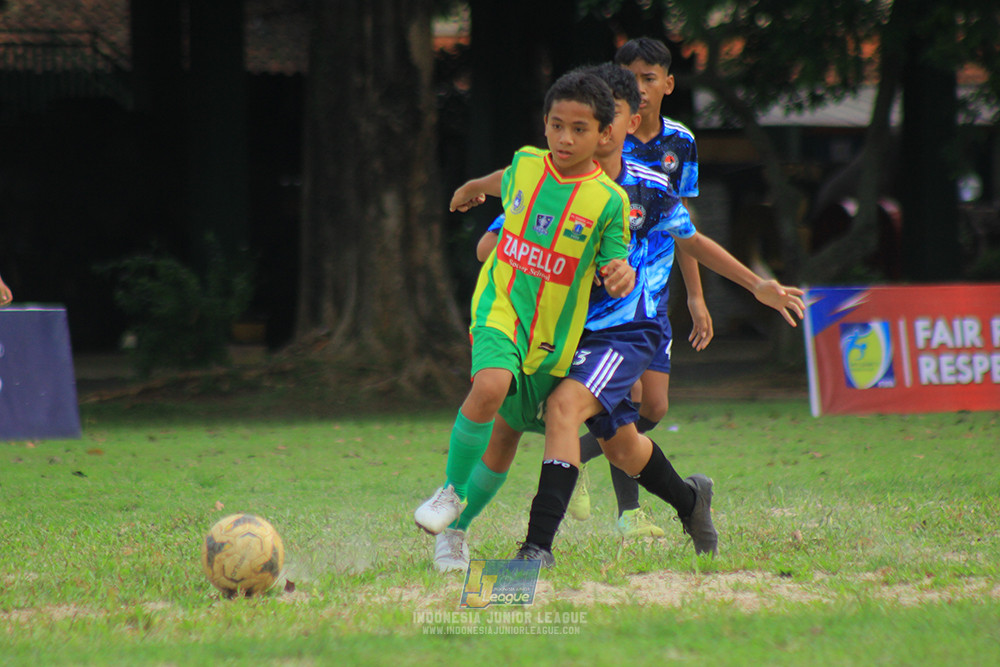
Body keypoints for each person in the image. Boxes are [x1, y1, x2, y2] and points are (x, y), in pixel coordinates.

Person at [435, 63, 804, 570]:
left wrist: (756, 283)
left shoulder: (643, 189)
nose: (591, 126)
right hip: (564, 329)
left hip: (622, 331)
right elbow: (504, 213)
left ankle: (536, 548)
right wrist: (501, 234)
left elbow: (691, 239)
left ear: (625, 125)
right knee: (622, 447)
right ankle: (691, 500)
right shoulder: (551, 173)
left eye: (608, 114)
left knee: (565, 409)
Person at [413, 70, 636, 549]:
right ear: (545, 124)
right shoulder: (527, 164)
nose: (565, 138)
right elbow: (505, 179)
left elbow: (617, 260)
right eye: (557, 125)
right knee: (490, 383)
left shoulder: (610, 201)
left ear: (604, 135)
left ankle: (454, 533)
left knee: (505, 439)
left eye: (579, 129)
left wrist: (623, 274)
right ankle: (450, 492)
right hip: (500, 306)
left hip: (551, 340)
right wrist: (473, 185)